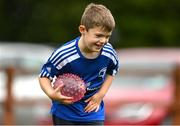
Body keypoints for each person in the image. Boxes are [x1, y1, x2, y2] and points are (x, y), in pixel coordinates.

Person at [38, 3, 119, 125]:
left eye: (107, 36)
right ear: (83, 30)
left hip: (93, 111)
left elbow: (112, 72)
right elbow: (44, 76)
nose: (103, 41)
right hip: (65, 112)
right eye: (98, 35)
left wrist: (100, 95)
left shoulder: (108, 52)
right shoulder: (64, 54)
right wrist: (52, 94)